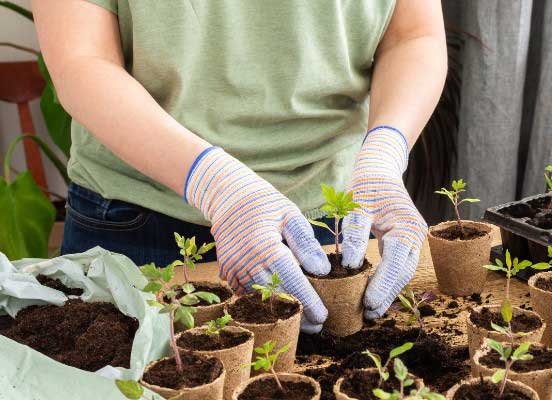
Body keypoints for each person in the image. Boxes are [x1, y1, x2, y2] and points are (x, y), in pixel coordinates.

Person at [31, 0, 447, 333]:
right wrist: (216, 184)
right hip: (140, 223)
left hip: (330, 224)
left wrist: (384, 153)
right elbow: (81, 57)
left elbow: (412, 34)